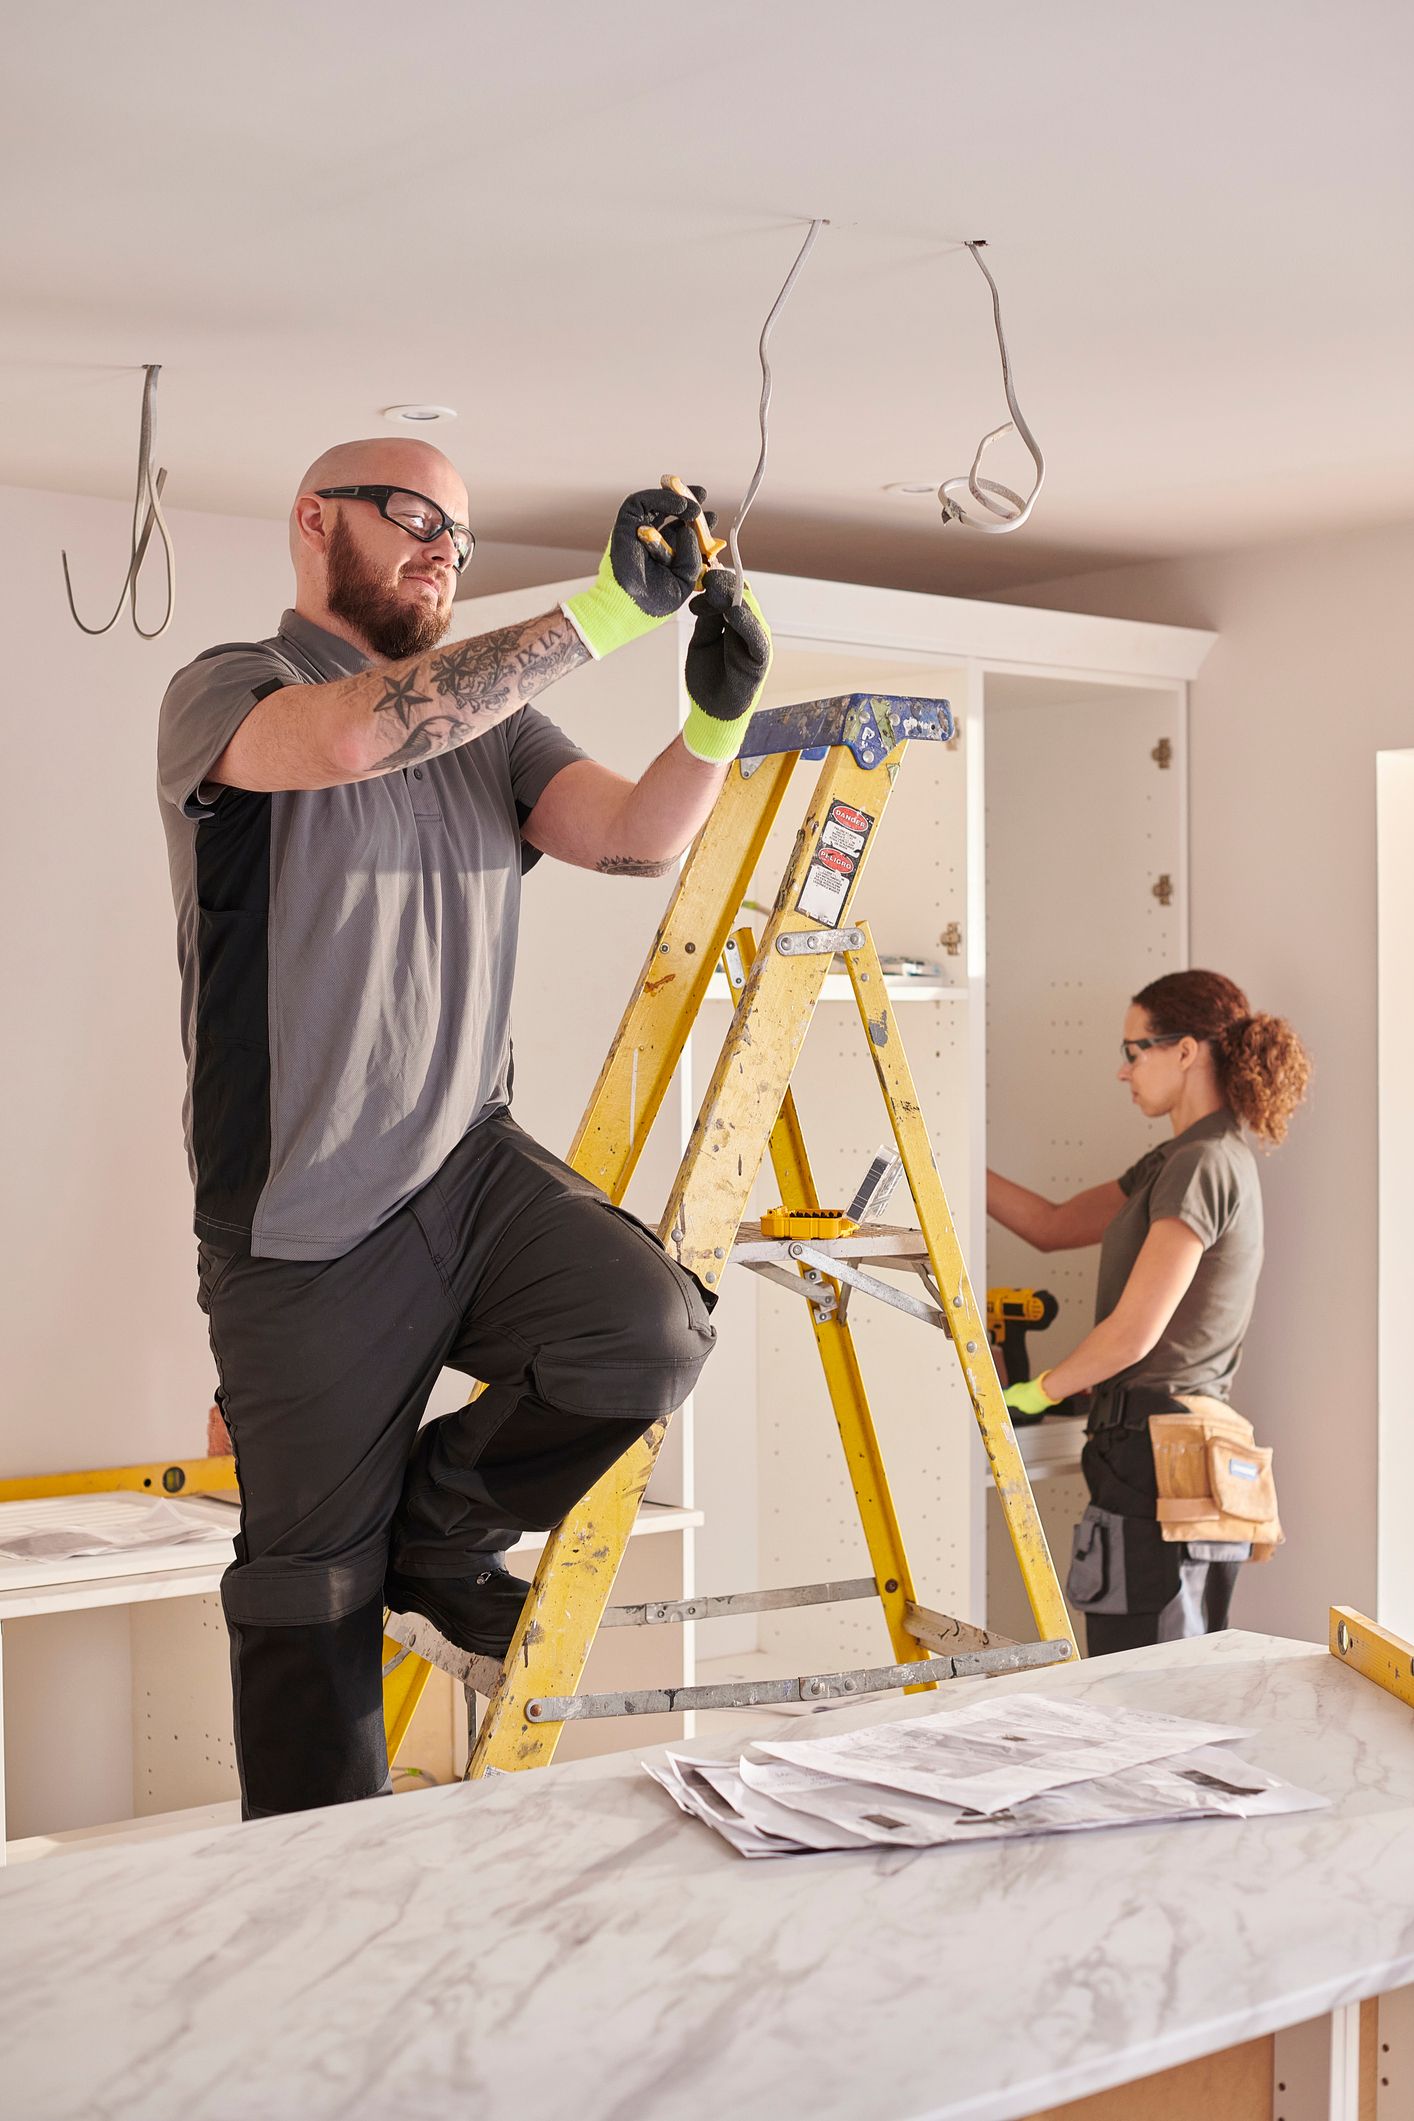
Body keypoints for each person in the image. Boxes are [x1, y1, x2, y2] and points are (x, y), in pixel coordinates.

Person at [157, 438, 774, 1816]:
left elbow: (629, 836)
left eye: (462, 535)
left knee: (647, 1329)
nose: (443, 548)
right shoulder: (231, 692)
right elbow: (367, 731)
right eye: (416, 518)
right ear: (316, 523)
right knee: (308, 1593)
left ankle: (436, 1538)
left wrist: (715, 720)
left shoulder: (491, 727)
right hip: (302, 1218)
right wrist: (606, 611)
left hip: (466, 1165)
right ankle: (314, 1906)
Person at [986, 970, 1310, 1655]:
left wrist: (1031, 1392)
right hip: (1153, 1457)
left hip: (1163, 1460)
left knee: (1143, 1693)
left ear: (1186, 1050)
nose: (1122, 1069)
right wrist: (946, 1157)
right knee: (1156, 1682)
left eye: (1136, 1050)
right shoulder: (1179, 1158)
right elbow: (1051, 1224)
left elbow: (1134, 1332)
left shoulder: (1203, 1162)